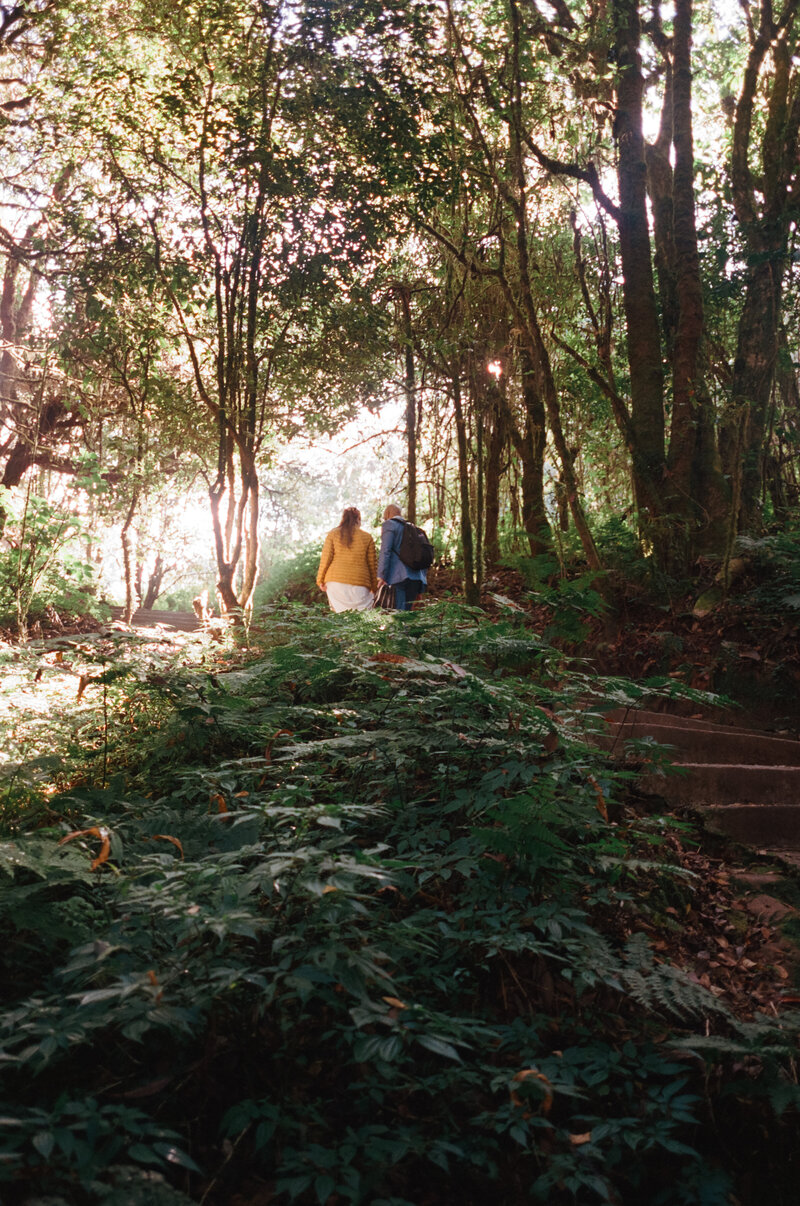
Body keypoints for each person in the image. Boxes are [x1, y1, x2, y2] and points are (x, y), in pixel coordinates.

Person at [316, 506, 378, 612]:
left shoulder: (333, 534)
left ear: (343, 518)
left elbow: (326, 558)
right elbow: (372, 565)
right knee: (362, 620)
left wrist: (320, 580)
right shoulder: (367, 537)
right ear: (358, 519)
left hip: (335, 583)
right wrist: (374, 587)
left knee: (341, 620)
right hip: (360, 584)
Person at [377, 503, 427, 611]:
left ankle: (400, 628)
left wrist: (381, 575)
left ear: (388, 514)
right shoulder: (413, 528)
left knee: (398, 613)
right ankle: (405, 628)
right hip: (416, 577)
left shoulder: (389, 525)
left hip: (398, 577)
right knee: (407, 613)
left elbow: (386, 551)